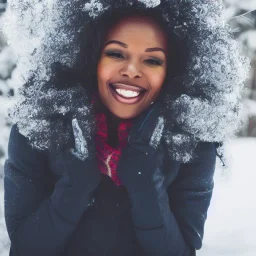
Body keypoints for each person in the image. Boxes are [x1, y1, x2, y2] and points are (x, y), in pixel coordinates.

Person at [3, 1, 249, 256]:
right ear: (91, 56)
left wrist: (147, 186)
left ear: (173, 70)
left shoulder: (191, 144)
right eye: (116, 53)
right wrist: (74, 187)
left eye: (152, 60)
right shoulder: (39, 129)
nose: (131, 71)